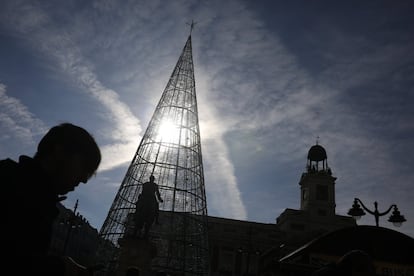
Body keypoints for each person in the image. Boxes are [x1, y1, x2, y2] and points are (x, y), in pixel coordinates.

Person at [0, 123, 101, 275]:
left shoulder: (34, 194)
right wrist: (60, 268)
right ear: (60, 152)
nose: (84, 180)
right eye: (84, 167)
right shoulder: (12, 186)